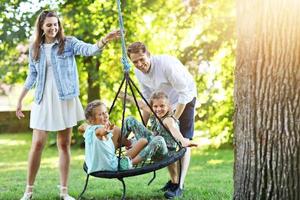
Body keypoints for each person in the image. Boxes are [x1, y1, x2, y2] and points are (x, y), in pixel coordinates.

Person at [16, 10, 121, 200]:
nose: (53, 28)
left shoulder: (68, 43)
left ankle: (64, 192)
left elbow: (89, 50)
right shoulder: (35, 48)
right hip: (43, 99)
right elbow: (32, 75)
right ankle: (28, 191)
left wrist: (105, 40)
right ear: (41, 26)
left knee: (64, 145)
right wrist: (20, 99)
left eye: (55, 24)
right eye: (49, 25)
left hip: (65, 99)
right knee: (37, 143)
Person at [127, 42, 197, 199]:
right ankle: (173, 181)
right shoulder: (139, 72)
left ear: (149, 54)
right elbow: (146, 101)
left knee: (182, 139)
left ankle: (180, 185)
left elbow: (184, 93)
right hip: (162, 104)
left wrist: (172, 120)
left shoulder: (166, 65)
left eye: (142, 59)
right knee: (165, 142)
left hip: (183, 99)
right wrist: (142, 129)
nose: (139, 64)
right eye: (135, 62)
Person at [122, 92, 197, 167]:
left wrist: (183, 141)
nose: (158, 109)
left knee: (159, 139)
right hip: (151, 146)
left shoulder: (168, 119)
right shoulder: (154, 114)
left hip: (165, 152)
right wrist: (127, 97)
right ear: (152, 107)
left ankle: (130, 163)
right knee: (130, 120)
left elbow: (173, 129)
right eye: (155, 106)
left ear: (168, 106)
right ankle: (119, 143)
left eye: (162, 106)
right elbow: (141, 105)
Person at [78, 100, 148, 173]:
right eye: (100, 114)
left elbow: (80, 128)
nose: (105, 115)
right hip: (111, 166)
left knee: (116, 130)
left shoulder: (89, 129)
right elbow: (101, 132)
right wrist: (106, 130)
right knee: (144, 141)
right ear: (92, 120)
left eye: (105, 112)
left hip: (95, 166)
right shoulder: (98, 130)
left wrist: (87, 127)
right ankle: (129, 156)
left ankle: (129, 144)